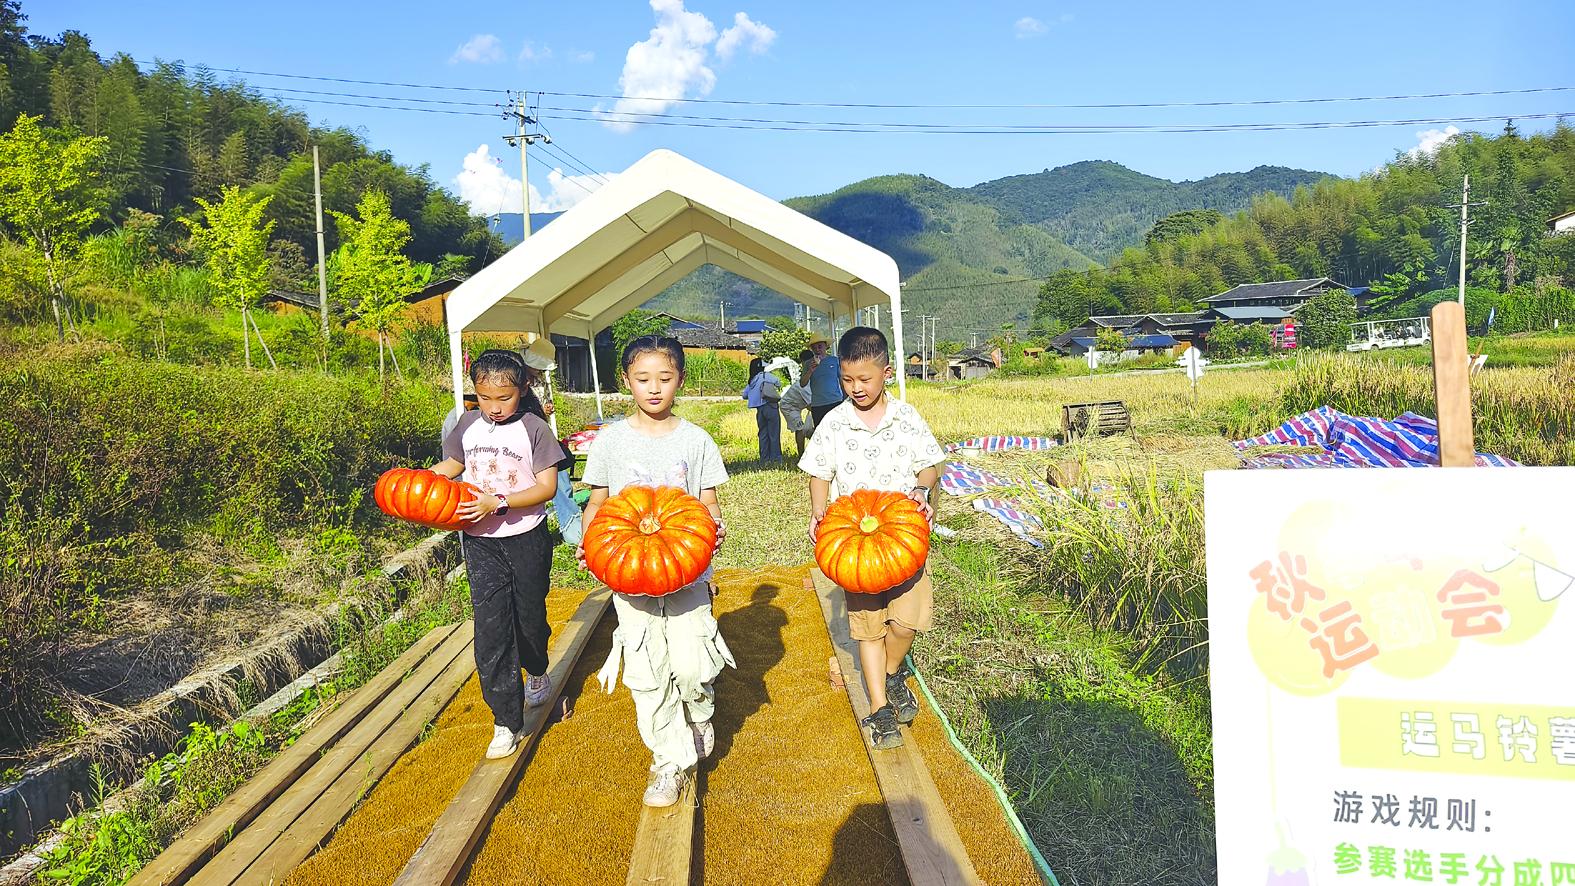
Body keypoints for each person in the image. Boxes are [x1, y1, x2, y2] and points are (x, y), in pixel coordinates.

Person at [578, 335, 734, 807]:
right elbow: (598, 503)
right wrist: (591, 546)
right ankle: (667, 761)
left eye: (664, 379)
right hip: (630, 579)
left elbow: (707, 503)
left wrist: (714, 528)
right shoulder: (610, 441)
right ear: (625, 381)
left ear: (680, 381)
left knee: (691, 665)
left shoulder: (696, 440)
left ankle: (699, 709)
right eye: (643, 379)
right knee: (648, 672)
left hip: (688, 575)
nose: (654, 389)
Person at [798, 326, 945, 751]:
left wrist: (921, 490)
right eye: (847, 380)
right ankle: (880, 708)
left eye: (865, 379)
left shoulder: (907, 417)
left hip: (903, 538)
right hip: (855, 547)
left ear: (886, 372)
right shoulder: (834, 424)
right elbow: (819, 472)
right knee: (867, 630)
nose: (856, 388)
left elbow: (928, 465)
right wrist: (818, 510)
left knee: (904, 623)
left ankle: (893, 671)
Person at [430, 350, 563, 760]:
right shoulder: (469, 425)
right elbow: (451, 465)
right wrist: (414, 482)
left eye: (502, 398)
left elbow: (547, 488)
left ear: (522, 390)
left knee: (528, 618)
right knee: (491, 629)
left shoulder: (535, 429)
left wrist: (498, 502)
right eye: (485, 398)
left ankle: (537, 670)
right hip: (480, 541)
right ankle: (505, 719)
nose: (493, 407)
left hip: (526, 537)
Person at [521, 338, 584, 546]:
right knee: (556, 473)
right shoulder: (516, 378)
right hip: (523, 439)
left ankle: (570, 520)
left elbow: (542, 407)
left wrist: (545, 410)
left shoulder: (540, 381)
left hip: (540, 435)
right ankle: (570, 524)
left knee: (561, 471)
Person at [741, 356, 783, 463]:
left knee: (763, 434)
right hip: (770, 406)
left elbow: (744, 395)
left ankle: (764, 458)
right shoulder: (765, 376)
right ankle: (776, 458)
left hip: (759, 410)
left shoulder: (751, 380)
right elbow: (778, 382)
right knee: (774, 433)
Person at [778, 348, 816, 457]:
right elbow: (811, 407)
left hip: (799, 406)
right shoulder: (803, 385)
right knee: (800, 429)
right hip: (789, 407)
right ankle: (801, 455)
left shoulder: (811, 377)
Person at [805, 333, 845, 426]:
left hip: (835, 401)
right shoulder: (808, 363)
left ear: (826, 346)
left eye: (820, 346)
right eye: (814, 348)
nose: (817, 350)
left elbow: (842, 380)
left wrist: (845, 398)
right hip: (818, 404)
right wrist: (810, 371)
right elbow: (803, 383)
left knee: (838, 430)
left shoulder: (835, 360)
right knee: (821, 432)